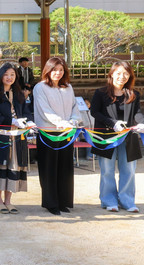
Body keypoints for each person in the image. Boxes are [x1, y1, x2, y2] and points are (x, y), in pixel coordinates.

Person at [90, 61, 144, 213]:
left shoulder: (133, 94)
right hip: (106, 137)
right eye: (118, 73)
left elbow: (137, 113)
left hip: (127, 138)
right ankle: (109, 200)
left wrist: (143, 123)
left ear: (130, 76)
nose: (122, 77)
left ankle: (127, 201)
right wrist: (112, 123)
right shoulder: (100, 93)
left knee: (129, 170)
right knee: (107, 170)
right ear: (111, 74)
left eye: (126, 74)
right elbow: (95, 112)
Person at [32, 57, 82, 216]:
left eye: (61, 70)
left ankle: (63, 201)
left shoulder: (68, 87)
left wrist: (73, 121)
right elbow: (44, 110)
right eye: (54, 70)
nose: (58, 73)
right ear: (48, 70)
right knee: (49, 168)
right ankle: (51, 203)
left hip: (66, 132)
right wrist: (61, 122)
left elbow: (75, 107)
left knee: (65, 167)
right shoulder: (40, 87)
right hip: (48, 133)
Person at [0, 63, 33, 214]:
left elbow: (26, 111)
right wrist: (11, 121)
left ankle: (8, 201)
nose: (9, 77)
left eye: (12, 74)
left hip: (17, 137)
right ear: (0, 76)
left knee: (13, 166)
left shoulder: (19, 93)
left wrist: (28, 122)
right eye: (6, 74)